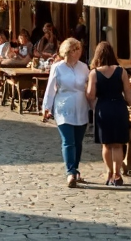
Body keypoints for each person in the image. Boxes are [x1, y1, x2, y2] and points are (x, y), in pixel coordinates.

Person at [86, 41, 131, 186]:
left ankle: (109, 172)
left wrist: (94, 106)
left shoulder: (94, 73)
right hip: (118, 107)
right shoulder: (121, 71)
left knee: (106, 145)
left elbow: (90, 95)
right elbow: (128, 93)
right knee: (118, 144)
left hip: (103, 108)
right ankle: (117, 174)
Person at [42, 38, 90, 188]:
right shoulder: (58, 67)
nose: (78, 52)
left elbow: (89, 87)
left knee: (78, 142)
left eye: (79, 49)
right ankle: (70, 172)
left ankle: (75, 170)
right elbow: (51, 89)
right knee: (68, 141)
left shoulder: (84, 67)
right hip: (64, 106)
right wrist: (46, 107)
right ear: (68, 51)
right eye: (76, 50)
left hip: (81, 106)